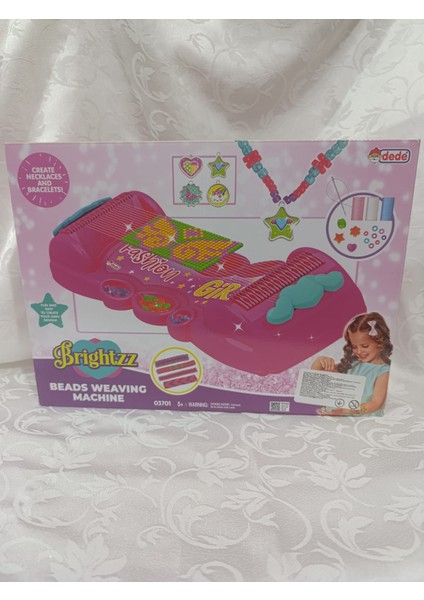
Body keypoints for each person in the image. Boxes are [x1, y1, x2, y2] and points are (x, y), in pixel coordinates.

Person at [310, 312, 392, 416]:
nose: (359, 351)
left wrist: (343, 411)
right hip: (334, 416)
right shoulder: (353, 364)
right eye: (354, 347)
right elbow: (315, 382)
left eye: (365, 346)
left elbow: (376, 404)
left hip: (361, 420)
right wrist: (318, 362)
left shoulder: (383, 371)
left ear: (380, 342)